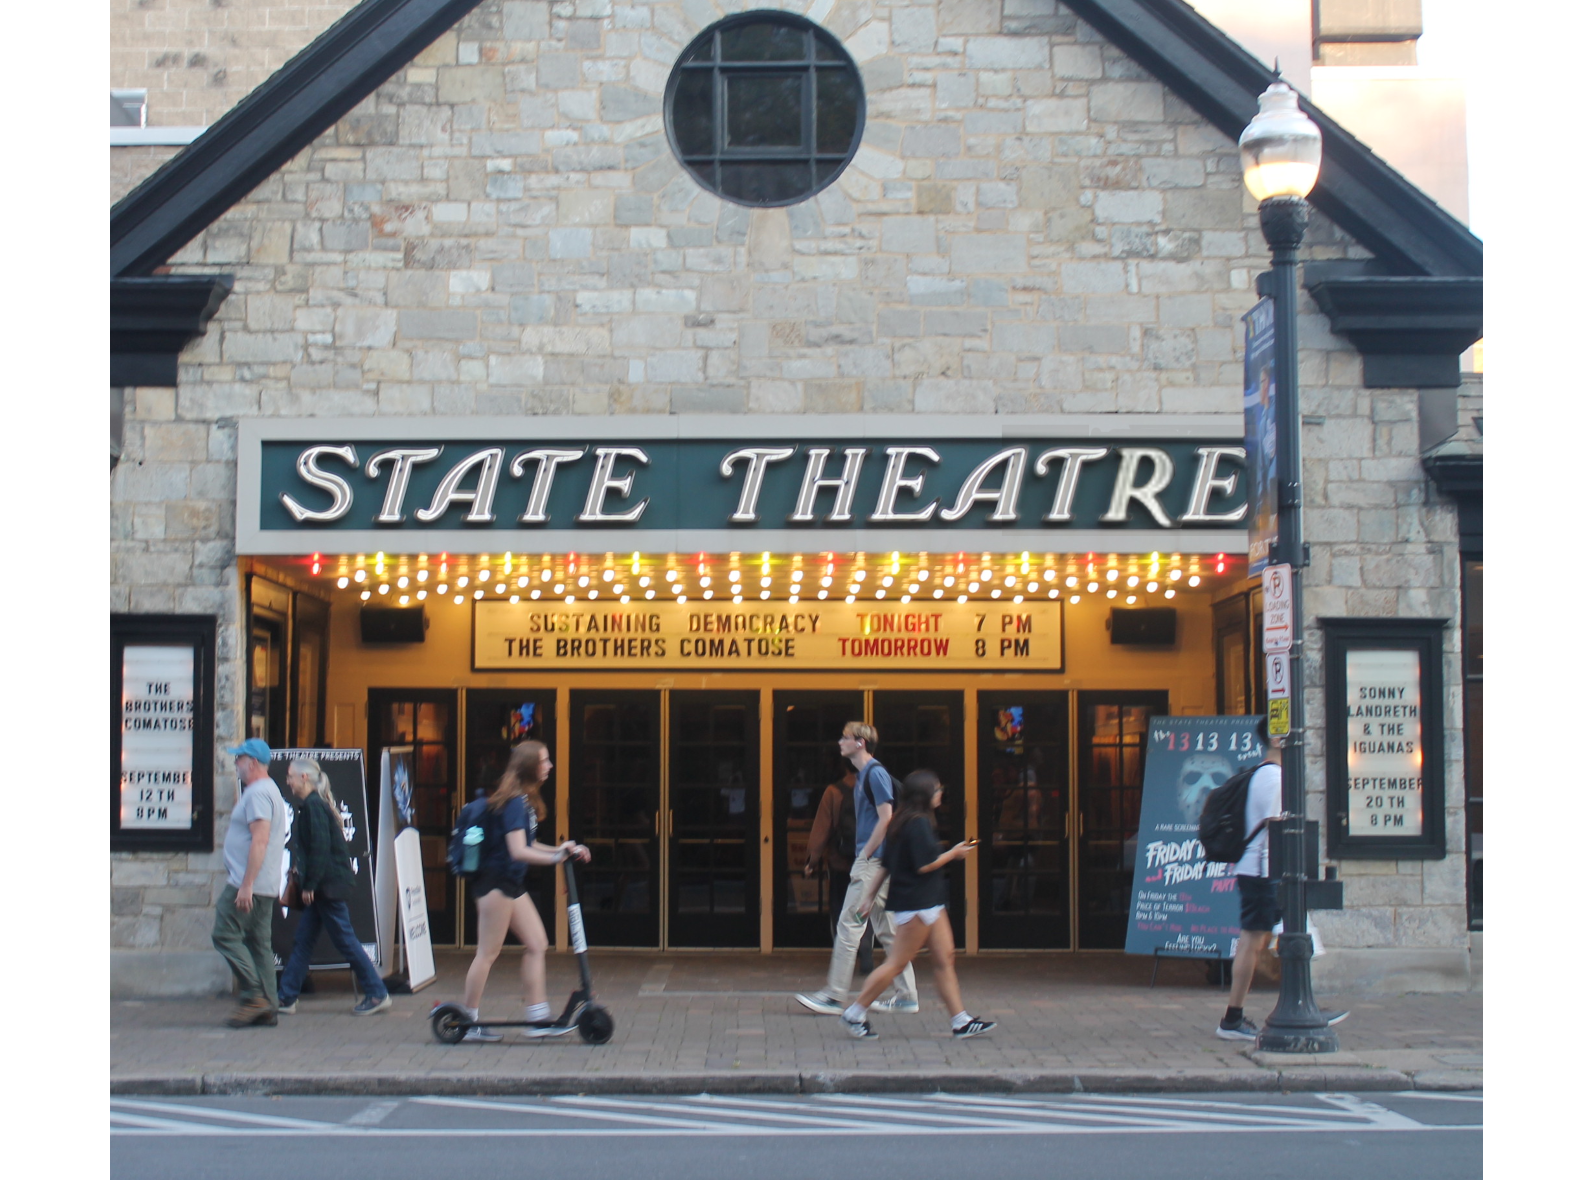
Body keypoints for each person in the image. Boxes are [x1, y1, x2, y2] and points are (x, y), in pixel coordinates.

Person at [1216, 717, 1346, 1040]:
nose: (1297, 741)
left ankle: (1292, 1005)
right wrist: (1274, 879)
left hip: (1259, 871)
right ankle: (1237, 1018)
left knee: (1259, 940)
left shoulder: (1264, 775)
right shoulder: (1274, 780)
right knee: (1257, 941)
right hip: (1263, 873)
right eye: (1290, 736)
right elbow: (1273, 832)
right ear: (1275, 741)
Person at [452, 740, 591, 1043]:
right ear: (530, 766)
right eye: (545, 761)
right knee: (488, 953)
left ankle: (537, 1017)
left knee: (538, 943)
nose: (550, 766)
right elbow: (518, 851)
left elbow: (529, 845)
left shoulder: (524, 801)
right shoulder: (515, 802)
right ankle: (468, 1020)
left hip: (510, 883)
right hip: (496, 883)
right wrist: (556, 858)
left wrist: (560, 849)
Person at [839, 771, 995, 1041]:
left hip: (927, 903)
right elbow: (925, 865)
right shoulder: (918, 823)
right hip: (918, 904)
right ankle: (854, 1012)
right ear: (925, 795)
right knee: (897, 963)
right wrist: (954, 853)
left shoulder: (901, 821)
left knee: (945, 958)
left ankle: (961, 1021)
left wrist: (869, 896)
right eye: (937, 790)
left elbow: (886, 865)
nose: (940, 794)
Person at [794, 723, 919, 1017]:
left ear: (860, 743)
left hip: (872, 862)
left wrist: (864, 854)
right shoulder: (869, 774)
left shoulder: (873, 774)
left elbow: (885, 817)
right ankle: (907, 995)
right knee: (887, 930)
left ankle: (835, 995)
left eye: (845, 738)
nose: (840, 742)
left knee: (849, 925)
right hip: (878, 862)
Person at [275, 758, 392, 1017]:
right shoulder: (313, 806)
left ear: (304, 778)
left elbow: (320, 849)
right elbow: (317, 849)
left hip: (327, 887)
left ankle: (377, 992)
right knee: (304, 940)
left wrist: (310, 885)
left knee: (344, 940)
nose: (288, 781)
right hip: (326, 886)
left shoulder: (314, 807)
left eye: (291, 776)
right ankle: (286, 997)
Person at [211, 739, 290, 1028]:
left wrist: (246, 884)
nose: (236, 764)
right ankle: (268, 1006)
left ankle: (255, 995)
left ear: (253, 763)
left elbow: (260, 839)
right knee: (258, 943)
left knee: (224, 933)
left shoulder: (258, 793)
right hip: (263, 883)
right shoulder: (268, 791)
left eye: (240, 759)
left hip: (249, 884)